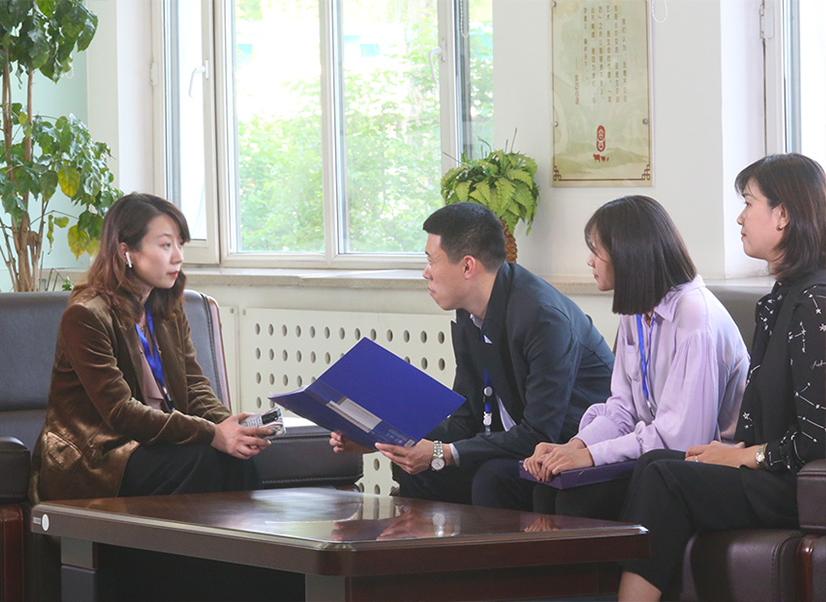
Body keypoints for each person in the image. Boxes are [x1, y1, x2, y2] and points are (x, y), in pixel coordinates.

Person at [617, 154, 826, 601]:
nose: (740, 217)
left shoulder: (815, 302)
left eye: (749, 202)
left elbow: (819, 437)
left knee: (664, 478)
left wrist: (747, 456)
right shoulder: (784, 295)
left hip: (797, 483)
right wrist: (733, 452)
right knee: (654, 463)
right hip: (772, 470)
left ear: (783, 215)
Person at [331, 201, 614, 506]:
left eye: (431, 260)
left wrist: (442, 453)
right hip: (518, 445)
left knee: (490, 476)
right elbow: (466, 420)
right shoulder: (470, 311)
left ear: (467, 266)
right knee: (419, 471)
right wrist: (384, 439)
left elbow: (539, 433)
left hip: (569, 450)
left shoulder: (542, 317)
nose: (426, 273)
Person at [505, 196, 748, 520]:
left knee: (578, 499)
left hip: (702, 468)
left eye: (596, 251)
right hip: (653, 457)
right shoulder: (636, 310)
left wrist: (592, 456)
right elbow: (623, 408)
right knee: (548, 484)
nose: (590, 261)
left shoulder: (695, 319)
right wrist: (576, 446)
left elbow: (681, 440)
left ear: (627, 255)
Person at [29, 193, 273, 503]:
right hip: (101, 457)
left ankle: (243, 536)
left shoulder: (167, 308)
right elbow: (120, 412)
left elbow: (194, 387)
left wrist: (231, 428)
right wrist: (213, 434)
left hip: (157, 443)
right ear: (126, 251)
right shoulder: (86, 315)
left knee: (237, 456)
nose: (178, 256)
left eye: (180, 244)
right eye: (166, 245)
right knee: (202, 459)